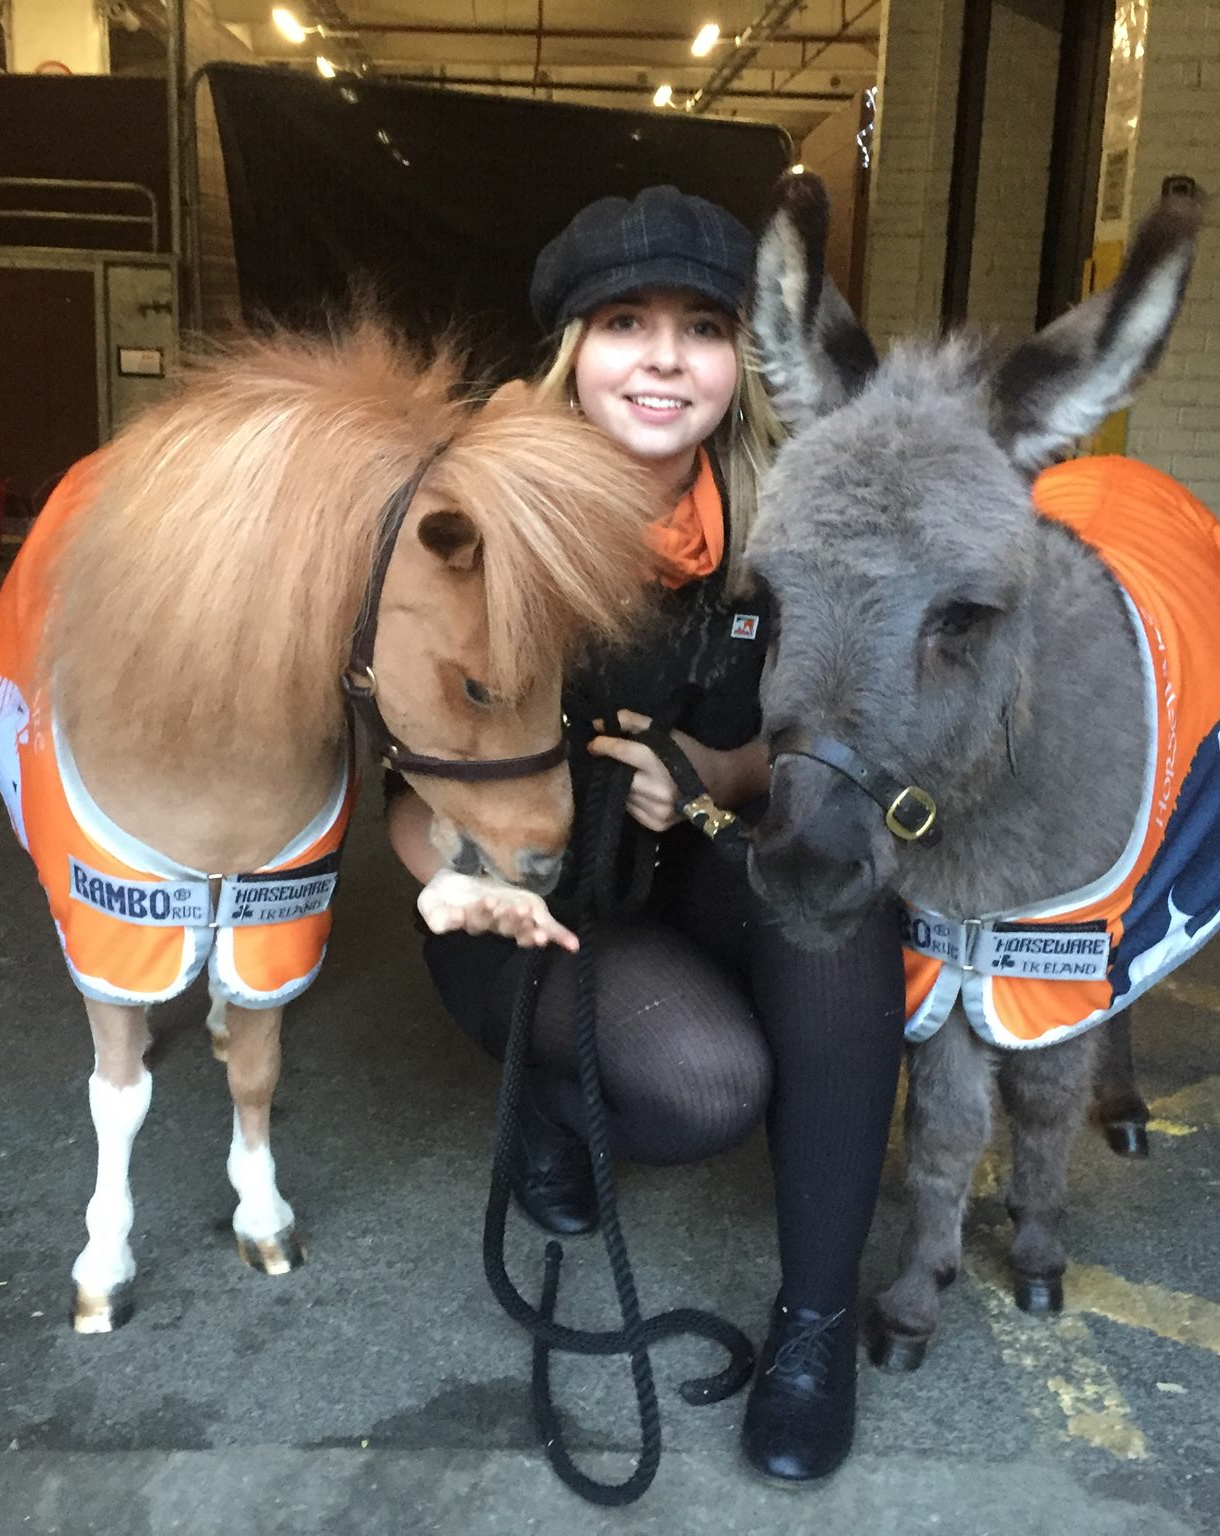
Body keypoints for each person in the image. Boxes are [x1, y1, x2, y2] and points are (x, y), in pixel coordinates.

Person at [386, 186, 910, 1484]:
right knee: (707, 1086)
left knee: (835, 888)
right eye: (626, 323)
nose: (666, 358)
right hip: (521, 901)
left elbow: (788, 746)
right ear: (574, 351)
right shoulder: (469, 524)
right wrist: (455, 881)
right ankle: (550, 1119)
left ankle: (814, 1327)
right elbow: (405, 795)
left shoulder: (786, 521)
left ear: (743, 360)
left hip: (685, 862)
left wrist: (695, 766)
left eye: (702, 327)